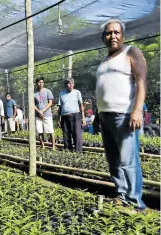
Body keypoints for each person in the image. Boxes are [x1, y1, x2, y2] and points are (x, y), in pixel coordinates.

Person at [96, 19, 146, 210]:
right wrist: (96, 116)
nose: (113, 36)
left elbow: (141, 82)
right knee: (114, 160)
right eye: (108, 33)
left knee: (128, 160)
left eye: (116, 32)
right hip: (105, 116)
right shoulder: (104, 60)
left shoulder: (131, 52)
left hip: (124, 115)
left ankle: (135, 203)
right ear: (104, 37)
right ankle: (122, 194)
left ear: (123, 35)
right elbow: (101, 88)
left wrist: (137, 110)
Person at [57, 78, 85, 152]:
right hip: (64, 116)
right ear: (66, 85)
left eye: (72, 83)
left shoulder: (77, 92)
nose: (71, 85)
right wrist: (58, 119)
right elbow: (60, 107)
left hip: (76, 115)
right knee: (66, 135)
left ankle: (78, 151)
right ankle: (68, 150)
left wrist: (83, 118)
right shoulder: (62, 94)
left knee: (77, 134)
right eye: (69, 83)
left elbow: (81, 105)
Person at [34, 77, 56, 149]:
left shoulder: (48, 91)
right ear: (36, 83)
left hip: (47, 114)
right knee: (39, 131)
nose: (41, 84)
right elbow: (33, 105)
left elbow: (50, 103)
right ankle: (42, 146)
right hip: (38, 115)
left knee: (50, 130)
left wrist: (43, 111)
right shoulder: (34, 93)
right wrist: (38, 111)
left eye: (42, 82)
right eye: (39, 82)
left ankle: (53, 146)